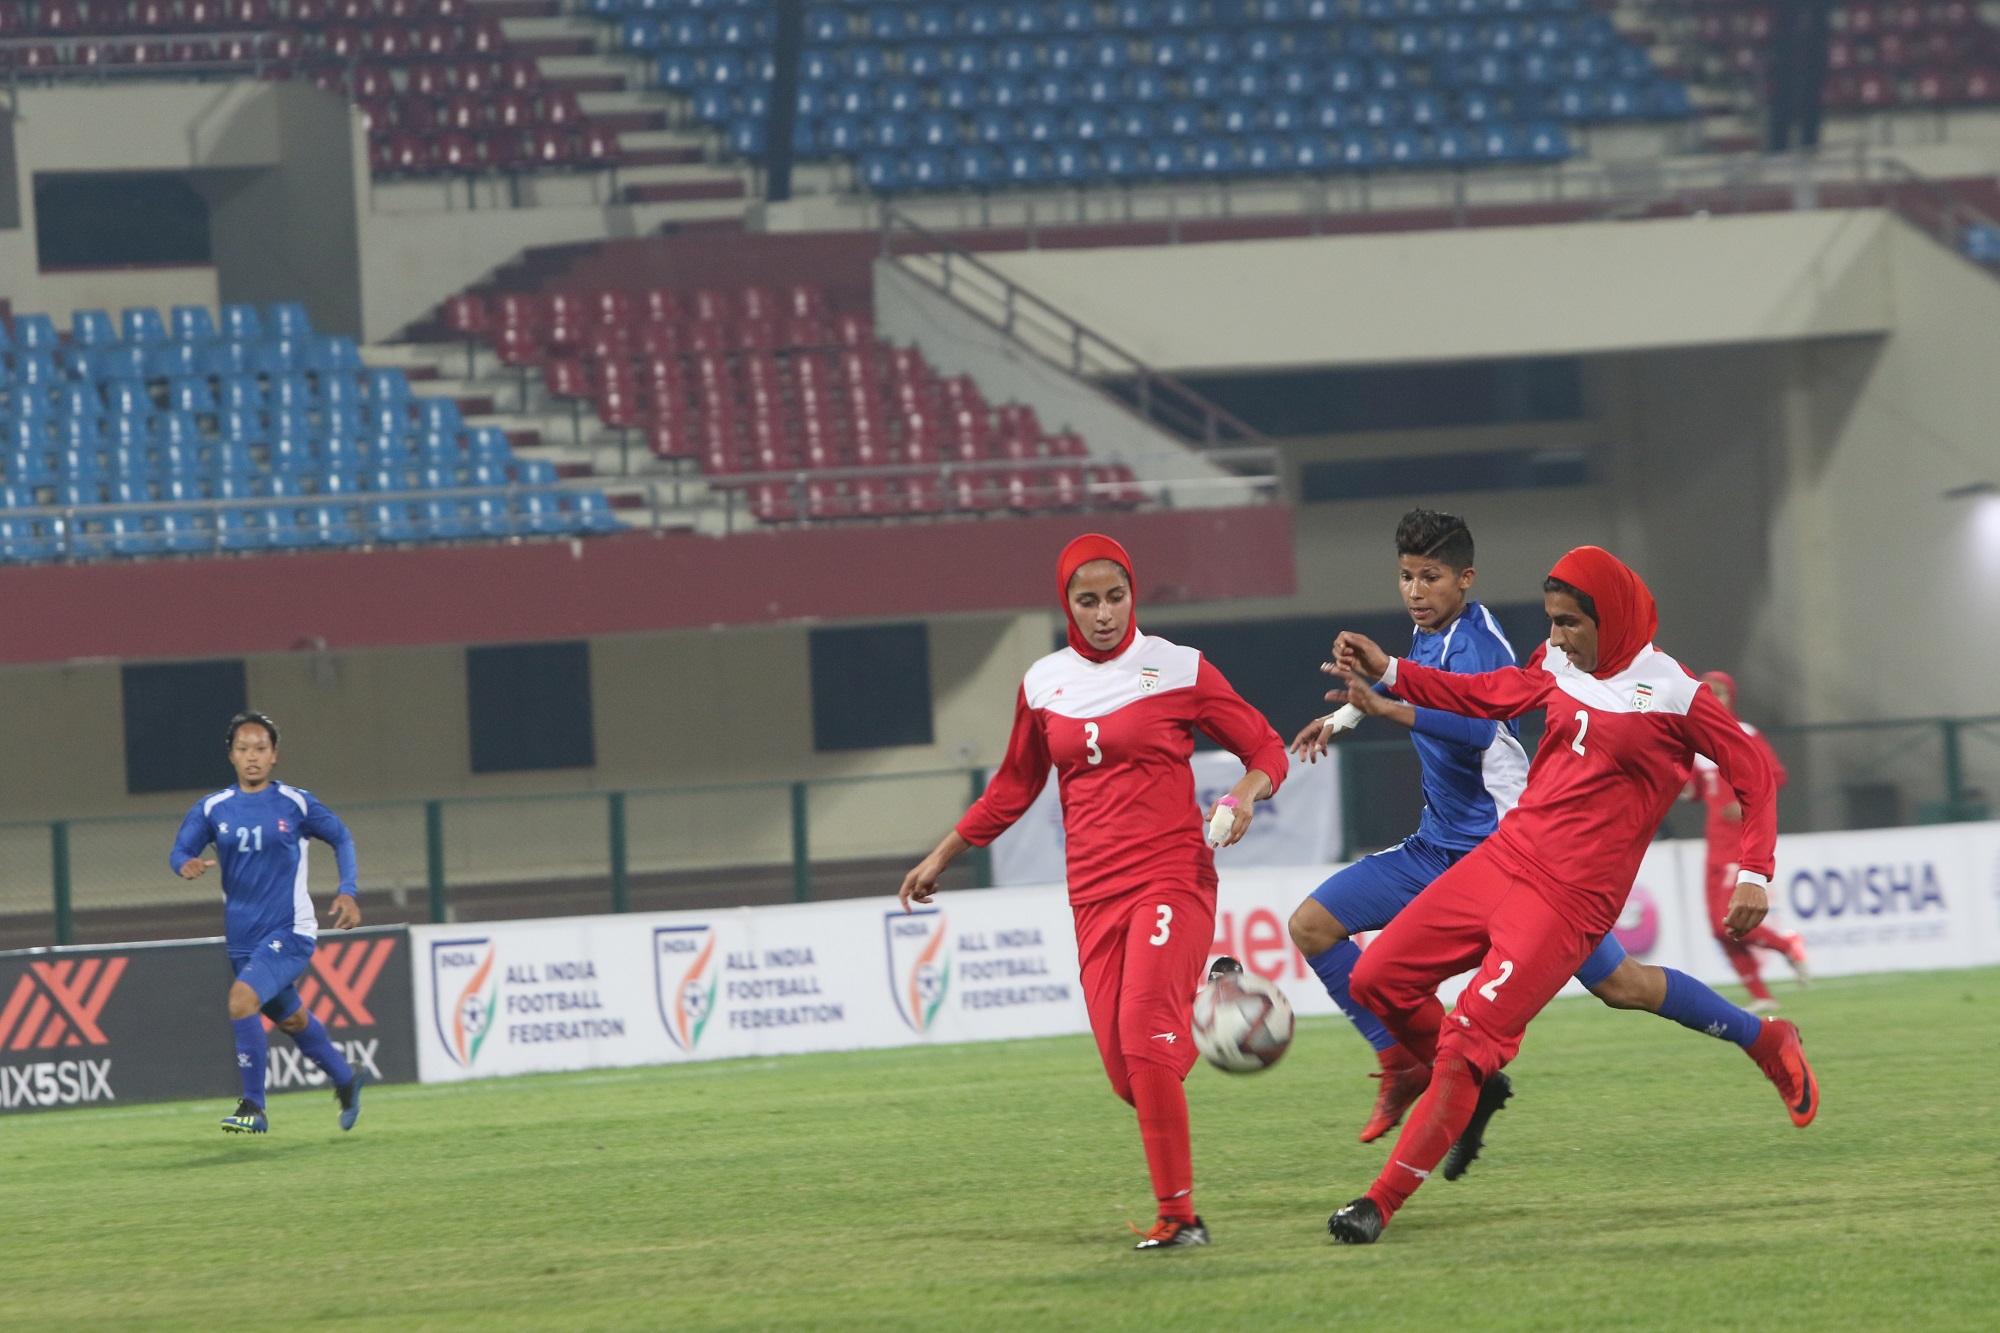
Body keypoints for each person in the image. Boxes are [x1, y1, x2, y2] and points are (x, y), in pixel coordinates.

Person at [1319, 546, 1818, 1245]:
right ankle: (1765, 1035)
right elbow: (1490, 693)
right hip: (1505, 857)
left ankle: (1381, 1200)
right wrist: (1393, 672)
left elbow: (1755, 773)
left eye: (1569, 623)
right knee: (1378, 976)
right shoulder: (1557, 662)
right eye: (1552, 621)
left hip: (1569, 901)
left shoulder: (1673, 692)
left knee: (1468, 1041)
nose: (1554, 637)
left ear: (1608, 619)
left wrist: (1755, 872)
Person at [899, 533, 1288, 1251]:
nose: (1105, 612)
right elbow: (1015, 785)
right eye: (1088, 600)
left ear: (1133, 594)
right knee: (1128, 1075)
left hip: (1172, 873)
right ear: (1066, 605)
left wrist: (1244, 790)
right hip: (1094, 893)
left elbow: (1266, 746)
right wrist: (943, 853)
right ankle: (1215, 1001)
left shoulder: (1178, 667)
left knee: (1145, 1038)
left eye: (1116, 596)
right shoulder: (1044, 682)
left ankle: (1181, 1217)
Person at [171, 712, 369, 1135]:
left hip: (290, 931)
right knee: (292, 1021)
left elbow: (341, 836)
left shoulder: (295, 803)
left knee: (242, 999)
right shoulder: (213, 808)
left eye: (260, 748)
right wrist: (184, 864)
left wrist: (348, 890)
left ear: (275, 755)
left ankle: (253, 1107)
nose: (252, 757)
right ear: (231, 756)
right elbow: (179, 851)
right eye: (243, 749)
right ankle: (346, 1078)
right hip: (241, 941)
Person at [1689, 671, 1810, 1012]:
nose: (1714, 697)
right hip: (1713, 844)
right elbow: (1698, 788)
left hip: (1739, 843)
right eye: (1707, 692)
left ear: (1731, 697)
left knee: (1724, 922)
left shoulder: (1746, 734)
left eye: (1720, 692)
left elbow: (1777, 776)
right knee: (1717, 929)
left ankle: (1786, 944)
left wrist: (1744, 804)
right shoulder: (1698, 740)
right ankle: (1762, 996)